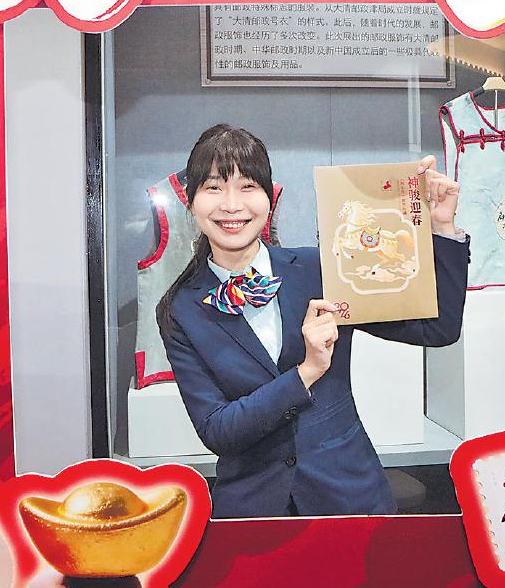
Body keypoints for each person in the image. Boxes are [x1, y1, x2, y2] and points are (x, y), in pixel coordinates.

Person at [157, 124, 469, 518]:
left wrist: (442, 228)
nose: (232, 205)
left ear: (270, 197)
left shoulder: (321, 270)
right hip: (256, 511)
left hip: (349, 496)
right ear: (191, 201)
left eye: (247, 186)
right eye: (214, 188)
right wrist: (307, 371)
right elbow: (218, 430)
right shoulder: (182, 309)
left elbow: (437, 329)